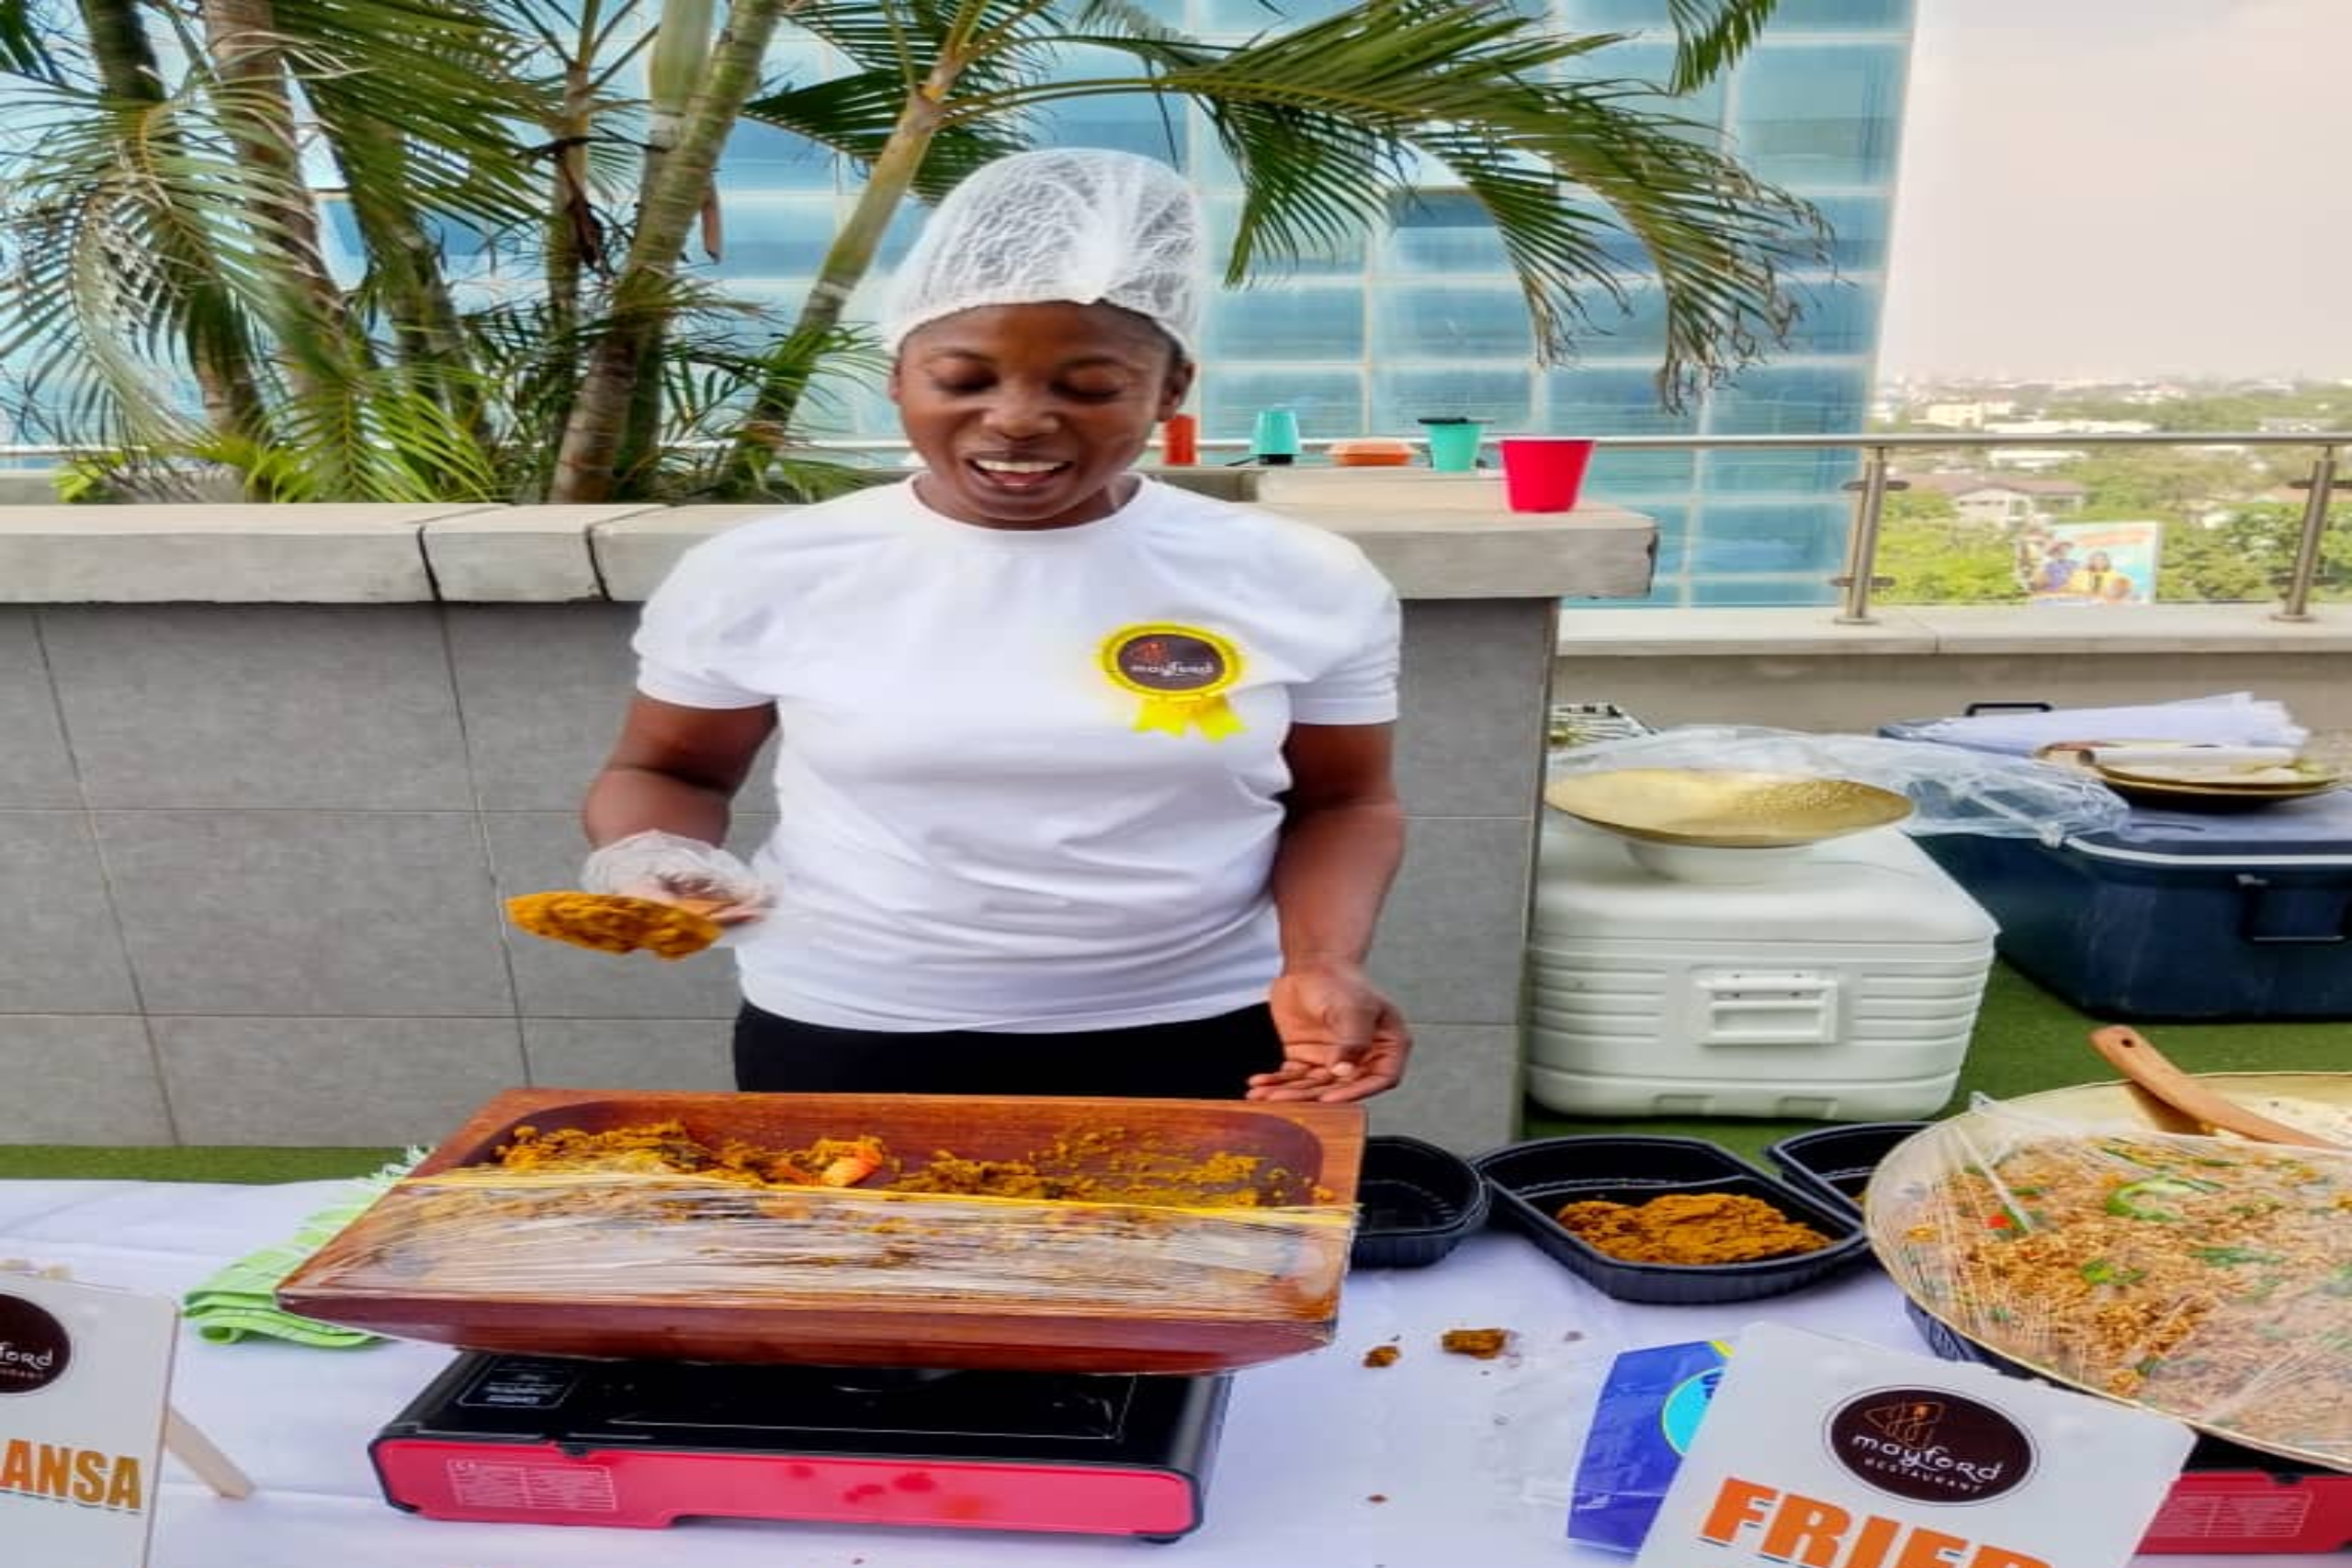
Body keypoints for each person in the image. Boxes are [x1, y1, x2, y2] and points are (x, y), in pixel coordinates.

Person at [578, 148, 1410, 1106]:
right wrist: (652, 854)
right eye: (963, 378)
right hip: (850, 1024)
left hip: (1204, 1025)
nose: (1016, 421)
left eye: (1088, 388)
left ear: (1171, 389)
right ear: (898, 377)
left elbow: (1343, 803)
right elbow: (668, 769)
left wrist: (1326, 962)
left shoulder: (1295, 575)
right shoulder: (763, 571)